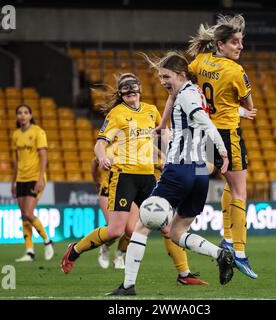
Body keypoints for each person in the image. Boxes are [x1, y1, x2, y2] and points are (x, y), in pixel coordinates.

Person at [61, 73, 207, 285]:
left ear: (140, 88)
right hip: (124, 175)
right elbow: (100, 143)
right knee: (115, 230)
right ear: (120, 92)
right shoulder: (116, 114)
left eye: (133, 85)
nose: (130, 90)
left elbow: (163, 134)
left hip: (148, 176)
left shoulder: (151, 111)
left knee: (167, 226)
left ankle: (184, 274)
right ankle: (74, 250)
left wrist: (169, 156)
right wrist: (102, 158)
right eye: (125, 87)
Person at [108, 52, 234, 296]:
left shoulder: (186, 96)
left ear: (181, 74)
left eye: (166, 76)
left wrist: (222, 151)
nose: (163, 81)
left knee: (142, 226)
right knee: (177, 233)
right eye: (160, 77)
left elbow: (205, 122)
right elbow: (182, 102)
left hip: (179, 168)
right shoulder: (194, 91)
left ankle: (128, 286)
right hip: (199, 174)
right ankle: (220, 254)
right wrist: (163, 124)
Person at [186, 14, 258, 278]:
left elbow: (188, 86)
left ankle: (227, 238)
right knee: (240, 191)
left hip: (204, 135)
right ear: (220, 44)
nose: (240, 47)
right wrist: (239, 110)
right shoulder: (236, 71)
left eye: (241, 42)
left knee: (228, 185)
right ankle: (239, 252)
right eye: (235, 42)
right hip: (228, 135)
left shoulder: (200, 61)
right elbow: (250, 107)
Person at [11, 104, 54, 262]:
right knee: (24, 215)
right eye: (19, 113)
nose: (22, 115)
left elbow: (43, 157)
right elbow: (16, 160)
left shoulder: (38, 132)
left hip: (34, 177)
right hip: (21, 179)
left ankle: (47, 241)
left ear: (30, 115)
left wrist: (40, 178)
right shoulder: (15, 135)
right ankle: (29, 251)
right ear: (17, 116)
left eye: (25, 112)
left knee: (28, 213)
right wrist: (13, 181)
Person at [91, 152, 132, 269]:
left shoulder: (134, 148)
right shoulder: (108, 150)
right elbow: (94, 162)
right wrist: (96, 180)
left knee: (131, 230)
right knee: (114, 228)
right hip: (107, 192)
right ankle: (105, 247)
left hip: (127, 192)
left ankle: (119, 256)